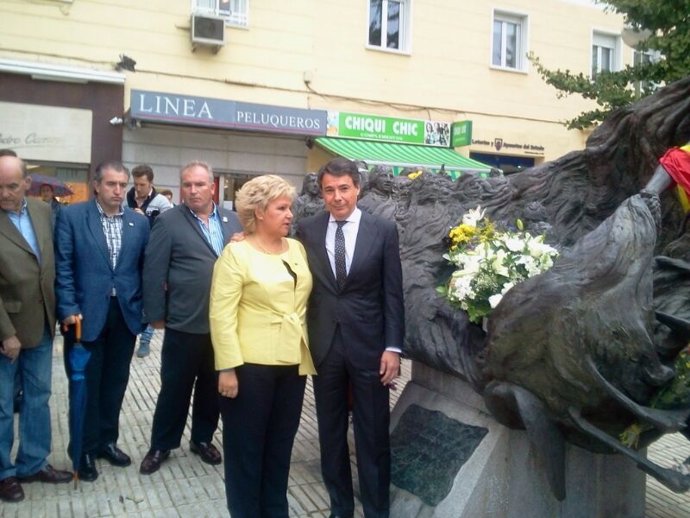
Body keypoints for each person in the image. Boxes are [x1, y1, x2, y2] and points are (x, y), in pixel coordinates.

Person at [296, 157, 405, 518]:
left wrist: (393, 347)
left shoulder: (383, 230)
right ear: (322, 192)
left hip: (370, 348)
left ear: (357, 188)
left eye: (344, 188)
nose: (337, 197)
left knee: (372, 435)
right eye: (329, 190)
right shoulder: (308, 230)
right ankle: (339, 508)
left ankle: (376, 510)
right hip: (325, 345)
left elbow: (393, 293)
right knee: (330, 433)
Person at [209, 175, 315, 517]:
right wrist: (226, 368)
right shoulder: (236, 254)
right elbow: (221, 316)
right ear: (258, 211)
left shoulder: (296, 248)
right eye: (281, 208)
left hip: (292, 366)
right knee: (245, 454)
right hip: (249, 369)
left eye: (290, 207)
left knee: (280, 450)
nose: (289, 215)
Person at [139, 160, 242, 475]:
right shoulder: (169, 221)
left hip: (223, 326)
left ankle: (202, 439)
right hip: (184, 322)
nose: (193, 190)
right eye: (187, 184)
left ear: (212, 186)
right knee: (175, 388)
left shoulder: (233, 221)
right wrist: (156, 314)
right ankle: (162, 444)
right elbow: (154, 269)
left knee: (212, 388)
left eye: (199, 184)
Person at [55, 161, 150, 482]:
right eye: (111, 184)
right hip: (84, 316)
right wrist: (67, 306)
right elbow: (63, 266)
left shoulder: (138, 224)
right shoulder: (72, 217)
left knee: (114, 384)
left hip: (123, 315)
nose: (118, 191)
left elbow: (143, 268)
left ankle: (107, 441)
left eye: (123, 185)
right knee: (85, 386)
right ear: (96, 185)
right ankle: (82, 448)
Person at [0, 153, 72, 503]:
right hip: (6, 331)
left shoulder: (43, 212)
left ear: (27, 183)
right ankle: (3, 472)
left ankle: (32, 462)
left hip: (42, 326)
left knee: (39, 399)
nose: (4, 193)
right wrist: (5, 333)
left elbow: (51, 263)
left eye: (12, 186)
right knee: (1, 405)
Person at [126, 164, 173, 358]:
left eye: (142, 184)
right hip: (131, 254)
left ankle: (145, 341)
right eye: (136, 184)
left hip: (153, 256)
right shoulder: (127, 198)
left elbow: (169, 228)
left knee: (151, 298)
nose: (138, 188)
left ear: (151, 183)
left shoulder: (161, 202)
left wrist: (143, 219)